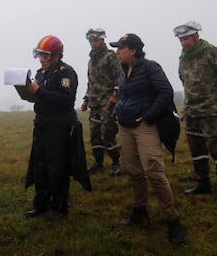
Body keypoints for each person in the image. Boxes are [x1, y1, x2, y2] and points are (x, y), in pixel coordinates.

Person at [111, 33, 185, 245]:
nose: (117, 52)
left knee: (154, 172)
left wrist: (148, 116)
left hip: (145, 126)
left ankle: (173, 220)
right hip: (125, 126)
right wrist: (117, 111)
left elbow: (165, 92)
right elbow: (123, 95)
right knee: (134, 172)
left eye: (121, 48)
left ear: (133, 50)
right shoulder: (123, 70)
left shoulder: (151, 67)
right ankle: (140, 210)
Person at [24, 35, 91, 220]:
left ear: (55, 55)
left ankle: (59, 206)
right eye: (38, 55)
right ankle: (41, 204)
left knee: (57, 167)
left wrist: (38, 91)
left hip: (59, 126)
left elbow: (65, 99)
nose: (41, 59)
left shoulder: (65, 73)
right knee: (39, 165)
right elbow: (41, 96)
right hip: (42, 124)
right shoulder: (40, 73)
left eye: (44, 56)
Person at [173, 20, 217, 194]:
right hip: (191, 112)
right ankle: (203, 183)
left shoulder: (211, 52)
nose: (184, 43)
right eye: (181, 40)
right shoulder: (183, 57)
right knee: (197, 150)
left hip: (211, 112)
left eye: (187, 39)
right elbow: (184, 81)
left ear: (197, 36)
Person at [81, 28, 121, 176]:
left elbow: (119, 77)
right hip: (94, 103)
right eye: (91, 40)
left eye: (95, 40)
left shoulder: (110, 56)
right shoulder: (91, 60)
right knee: (94, 135)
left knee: (108, 134)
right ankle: (98, 162)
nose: (93, 43)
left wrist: (115, 96)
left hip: (108, 103)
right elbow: (90, 82)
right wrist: (86, 100)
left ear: (102, 40)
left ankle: (116, 162)